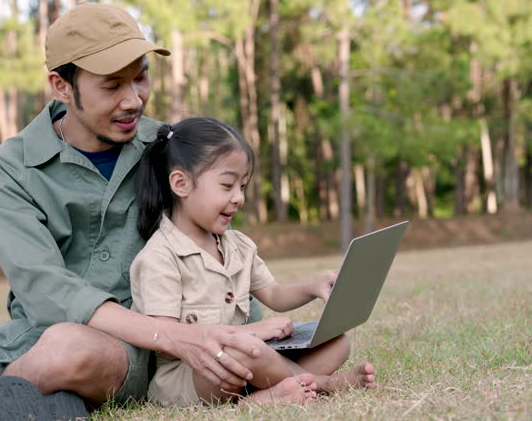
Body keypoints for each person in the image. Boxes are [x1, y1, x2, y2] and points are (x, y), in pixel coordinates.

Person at [0, 3, 270, 421]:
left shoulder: (168, 149)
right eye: (112, 85)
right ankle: (0, 409)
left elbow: (218, 244)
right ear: (62, 85)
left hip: (129, 350)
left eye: (141, 78)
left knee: (68, 347)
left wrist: (226, 334)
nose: (134, 99)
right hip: (24, 342)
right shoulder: (9, 167)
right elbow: (42, 286)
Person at [130, 117, 377, 407]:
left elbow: (274, 294)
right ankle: (319, 385)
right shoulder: (160, 257)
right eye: (227, 185)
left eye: (243, 186)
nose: (238, 198)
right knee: (244, 350)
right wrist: (248, 333)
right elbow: (170, 343)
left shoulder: (238, 245)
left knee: (337, 343)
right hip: (193, 375)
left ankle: (270, 391)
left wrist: (314, 287)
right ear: (181, 184)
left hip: (250, 358)